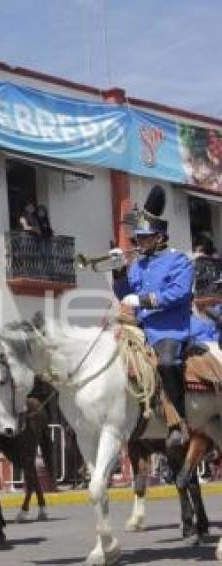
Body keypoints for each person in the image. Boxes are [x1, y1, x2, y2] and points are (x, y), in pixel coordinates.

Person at [114, 185, 194, 448]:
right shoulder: (138, 265)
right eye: (138, 239)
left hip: (169, 330)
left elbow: (179, 293)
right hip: (140, 329)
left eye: (144, 239)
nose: (139, 244)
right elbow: (123, 293)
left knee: (168, 363)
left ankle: (181, 420)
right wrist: (117, 271)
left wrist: (144, 300)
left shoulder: (179, 261)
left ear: (159, 238)